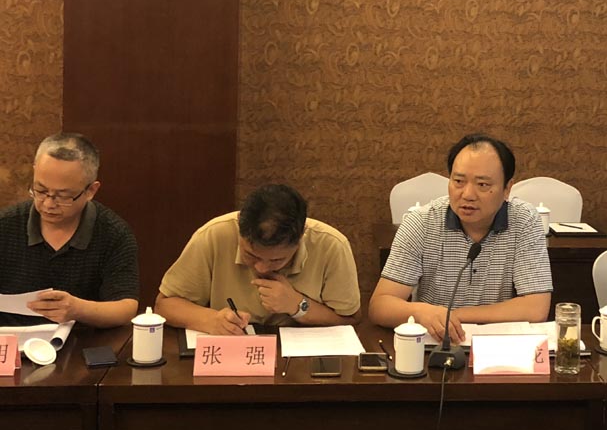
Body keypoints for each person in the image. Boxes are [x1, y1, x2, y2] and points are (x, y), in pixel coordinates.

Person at [368, 134, 553, 344]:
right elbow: (380, 306)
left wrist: (453, 315)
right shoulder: (421, 222)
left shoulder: (524, 220)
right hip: (436, 345)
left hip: (497, 346)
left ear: (507, 189)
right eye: (458, 181)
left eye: (482, 184)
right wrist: (421, 312)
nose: (467, 194)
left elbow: (536, 307)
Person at [156, 184, 360, 334]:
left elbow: (350, 318)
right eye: (251, 255)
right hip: (231, 355)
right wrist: (211, 319)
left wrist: (298, 306)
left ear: (299, 240)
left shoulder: (331, 245)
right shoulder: (214, 235)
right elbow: (164, 305)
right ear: (239, 228)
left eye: (277, 260)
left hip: (300, 364)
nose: (261, 268)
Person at [0, 133, 139, 327]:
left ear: (90, 191)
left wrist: (78, 309)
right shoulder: (5, 225)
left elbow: (126, 308)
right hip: (11, 339)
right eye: (41, 190)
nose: (48, 204)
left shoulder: (114, 234)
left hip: (84, 341)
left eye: (63, 196)